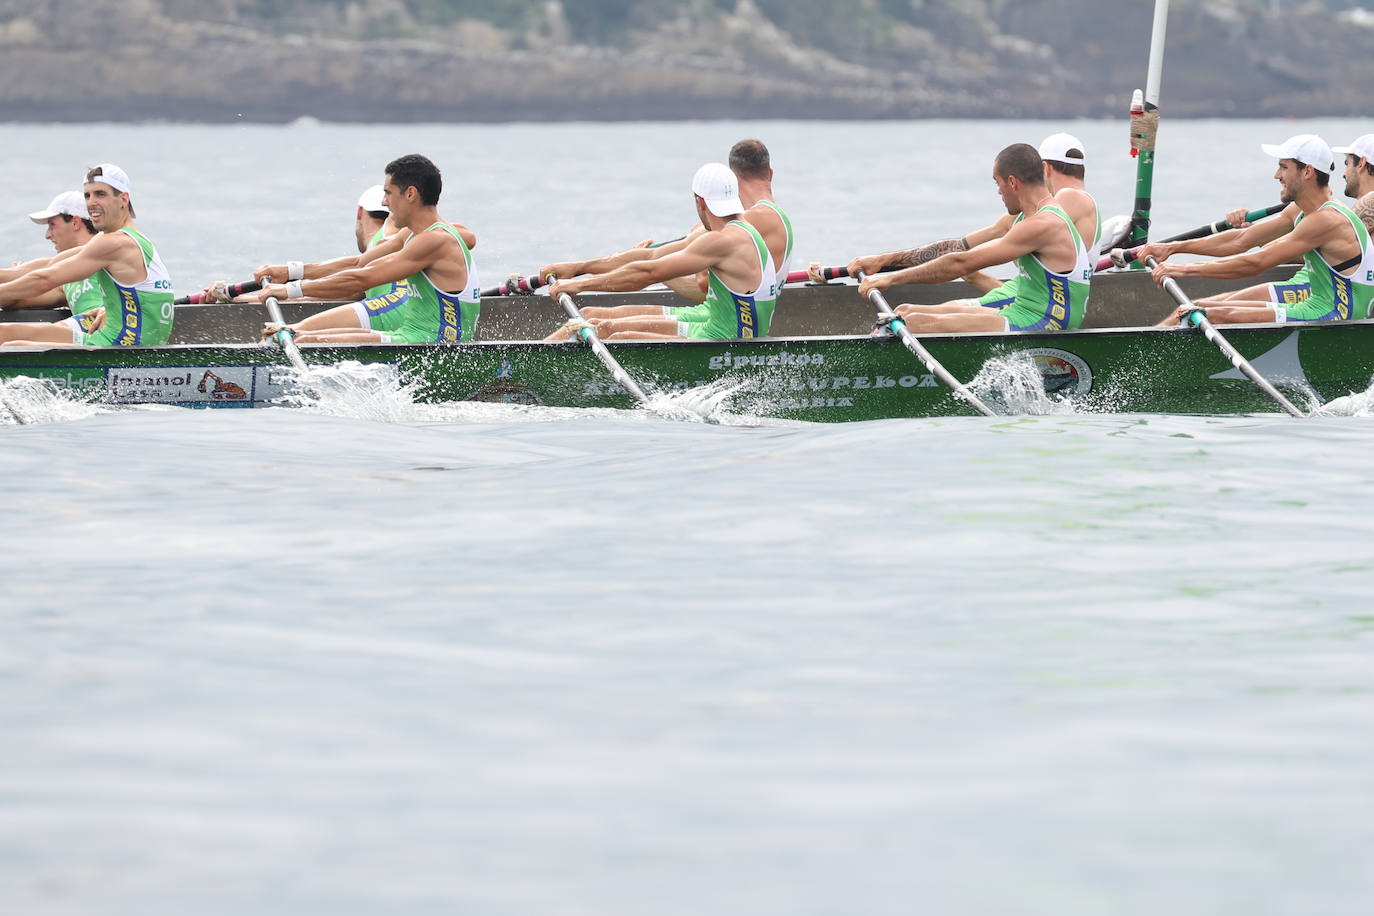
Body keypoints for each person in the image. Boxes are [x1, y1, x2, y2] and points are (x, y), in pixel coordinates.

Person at [542, 139, 793, 337]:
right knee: (591, 316)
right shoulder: (739, 227)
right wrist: (577, 269)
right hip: (719, 322)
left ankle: (526, 379)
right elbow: (651, 256)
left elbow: (649, 273)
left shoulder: (724, 239)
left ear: (700, 201)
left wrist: (580, 285)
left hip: (726, 337)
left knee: (608, 330)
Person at [855, 143, 1097, 333]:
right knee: (904, 311)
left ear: (1012, 182)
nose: (998, 191)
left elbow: (960, 263)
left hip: (1046, 321)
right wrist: (883, 262)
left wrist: (890, 279)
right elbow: (955, 249)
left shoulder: (1044, 224)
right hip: (1023, 309)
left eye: (998, 183)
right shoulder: (1025, 218)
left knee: (916, 323)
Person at [246, 154, 481, 344]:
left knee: (305, 339)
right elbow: (359, 263)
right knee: (302, 336)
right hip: (410, 337)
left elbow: (362, 279)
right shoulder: (412, 234)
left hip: (433, 346)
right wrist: (291, 271)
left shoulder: (434, 241)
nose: (384, 203)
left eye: (388, 193)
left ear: (410, 194)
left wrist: (290, 291)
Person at [1140, 134, 1374, 326]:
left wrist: (1183, 270)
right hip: (1315, 304)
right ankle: (1141, 359)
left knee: (1209, 314)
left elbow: (1256, 264)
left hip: (1336, 315)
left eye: (1283, 167)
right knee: (1198, 307)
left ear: (1307, 172)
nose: (1276, 175)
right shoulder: (1301, 211)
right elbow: (1240, 240)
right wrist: (1172, 248)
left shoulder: (1327, 219)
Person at [0, 164, 174, 347]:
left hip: (118, 347)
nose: (91, 202)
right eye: (87, 195)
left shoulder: (115, 242)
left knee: (11, 345)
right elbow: (51, 265)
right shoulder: (124, 239)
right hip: (114, 338)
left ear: (123, 199)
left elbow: (44, 279)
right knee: (5, 333)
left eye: (100, 194)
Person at [0, 192, 104, 328]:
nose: (47, 235)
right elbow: (12, 299)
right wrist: (20, 281)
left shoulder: (107, 251)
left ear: (75, 222)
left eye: (52, 225)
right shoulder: (64, 283)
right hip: (95, 341)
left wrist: (20, 275)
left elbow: (9, 276)